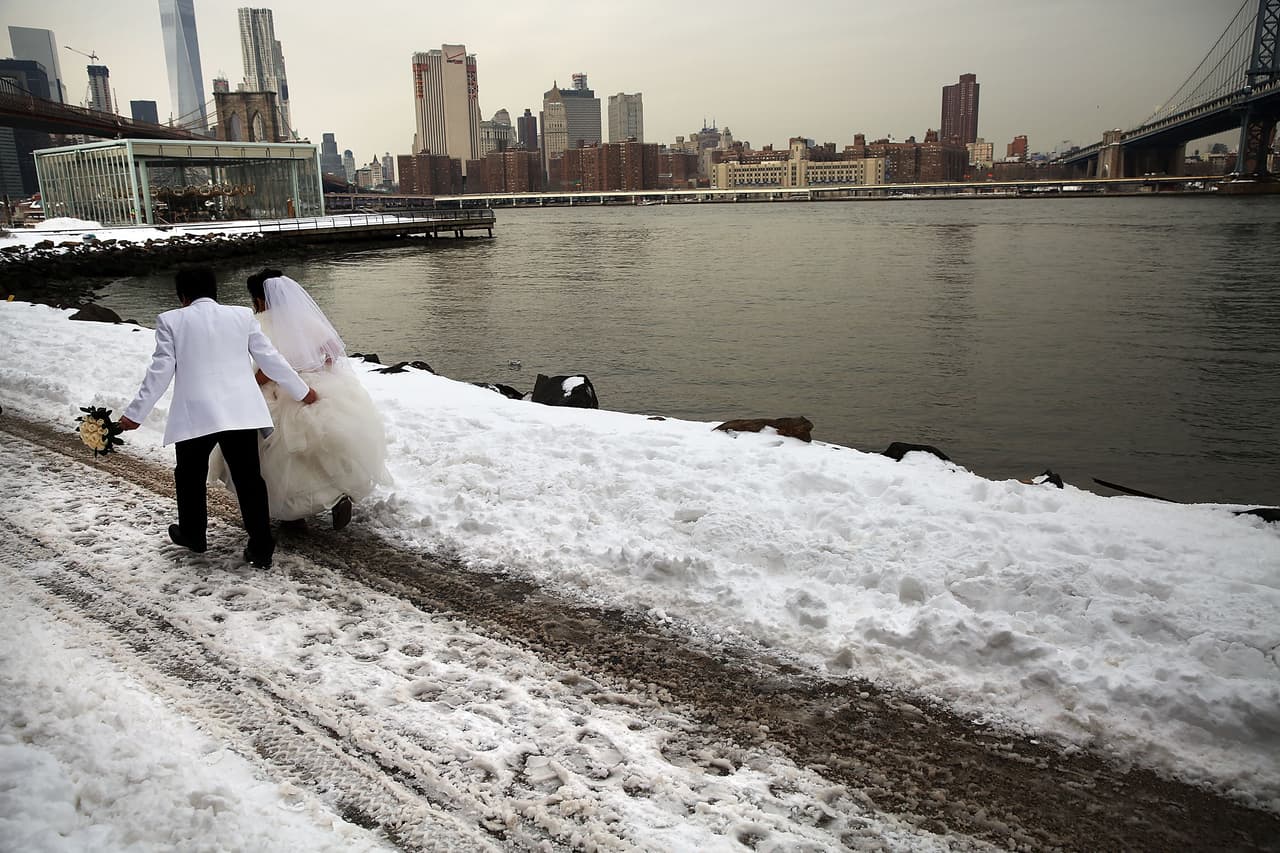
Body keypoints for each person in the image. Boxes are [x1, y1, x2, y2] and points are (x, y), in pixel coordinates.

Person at [119, 266, 318, 569]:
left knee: (189, 475)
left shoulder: (171, 321)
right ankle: (261, 546)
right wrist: (303, 391)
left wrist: (135, 415)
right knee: (249, 479)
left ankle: (193, 534)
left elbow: (159, 372)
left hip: (196, 414)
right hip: (240, 412)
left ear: (182, 296)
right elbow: (271, 359)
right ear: (215, 291)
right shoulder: (241, 316)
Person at [210, 269, 391, 530]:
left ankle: (292, 516)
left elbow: (269, 368)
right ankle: (338, 494)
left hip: (280, 390)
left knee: (278, 455)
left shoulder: (260, 322)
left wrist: (251, 383)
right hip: (319, 384)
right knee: (327, 445)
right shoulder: (304, 318)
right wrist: (314, 369)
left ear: (259, 299)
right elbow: (332, 352)